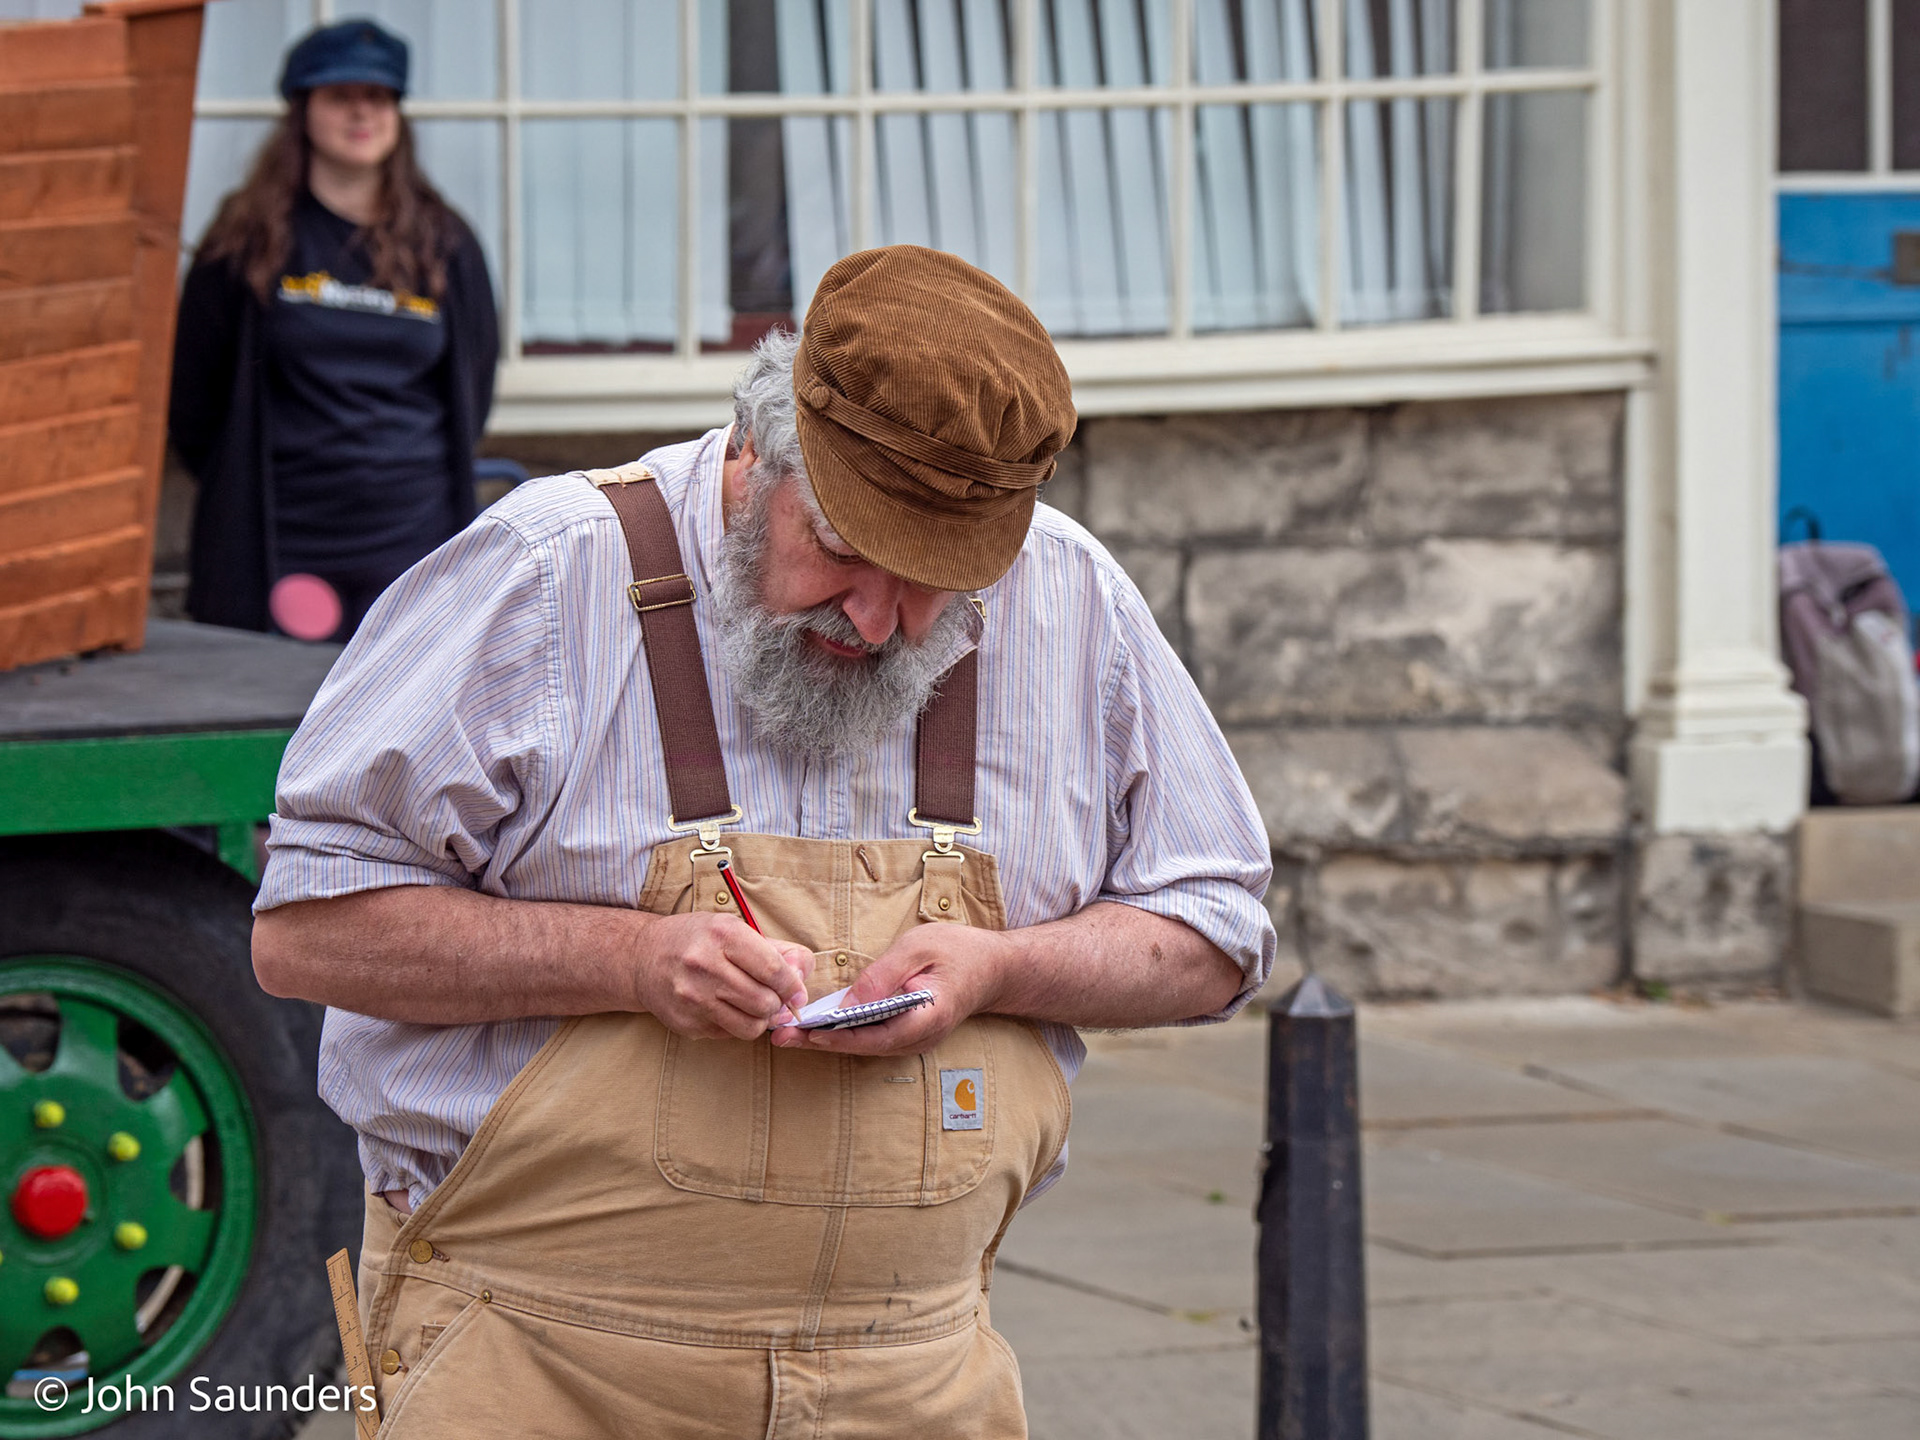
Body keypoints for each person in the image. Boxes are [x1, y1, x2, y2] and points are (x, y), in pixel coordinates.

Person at [251, 246, 1275, 1437]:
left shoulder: (1073, 596)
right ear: (758, 450)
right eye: (844, 549)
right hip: (534, 1366)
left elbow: (1216, 929)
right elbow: (308, 931)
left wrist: (1002, 967)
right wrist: (627, 963)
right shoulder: (544, 572)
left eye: (939, 582)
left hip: (915, 1382)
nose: (882, 619)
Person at [168, 18, 498, 643]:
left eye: (378, 98)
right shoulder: (247, 238)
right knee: (274, 716)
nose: (361, 113)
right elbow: (193, 394)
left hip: (412, 540)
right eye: (341, 96)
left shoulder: (444, 242)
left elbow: (472, 385)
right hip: (282, 539)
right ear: (303, 111)